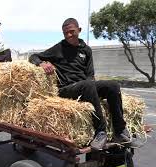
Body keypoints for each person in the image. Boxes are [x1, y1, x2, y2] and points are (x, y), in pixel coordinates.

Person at [29, 18, 131, 150]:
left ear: (79, 30)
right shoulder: (59, 48)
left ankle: (120, 130)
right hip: (67, 89)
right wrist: (41, 63)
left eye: (72, 31)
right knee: (87, 85)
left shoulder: (86, 50)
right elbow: (33, 56)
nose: (69, 35)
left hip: (85, 86)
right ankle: (100, 132)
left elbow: (90, 75)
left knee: (113, 85)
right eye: (65, 33)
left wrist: (94, 88)